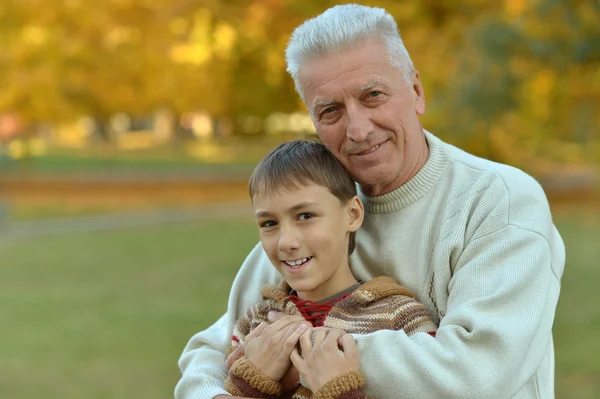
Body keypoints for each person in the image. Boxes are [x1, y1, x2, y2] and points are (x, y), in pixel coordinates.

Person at [176, 4, 565, 399]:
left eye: (373, 95)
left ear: (415, 91)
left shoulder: (499, 200)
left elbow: (479, 371)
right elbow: (214, 350)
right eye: (330, 111)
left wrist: (302, 355)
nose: (358, 129)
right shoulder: (315, 210)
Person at [224, 140, 437, 399]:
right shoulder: (256, 325)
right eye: (269, 223)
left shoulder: (400, 319)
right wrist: (252, 383)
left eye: (305, 216)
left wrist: (339, 391)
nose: (286, 242)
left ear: (353, 214)